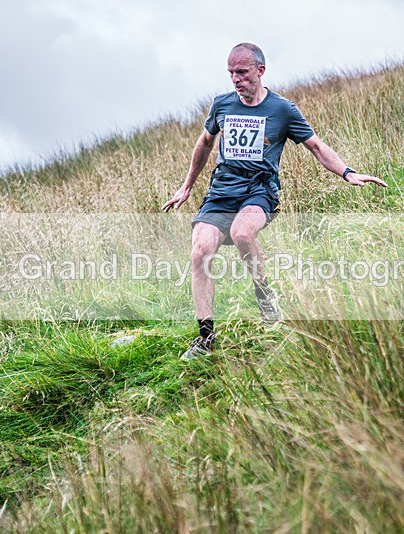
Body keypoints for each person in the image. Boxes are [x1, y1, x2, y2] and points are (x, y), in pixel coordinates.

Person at [162, 43, 387, 360]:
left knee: (242, 233)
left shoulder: (283, 110)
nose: (236, 80)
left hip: (260, 189)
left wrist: (348, 173)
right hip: (223, 187)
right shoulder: (222, 105)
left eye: (242, 72)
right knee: (199, 253)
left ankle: (264, 294)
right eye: (231, 74)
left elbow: (316, 147)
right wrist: (186, 187)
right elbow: (204, 143)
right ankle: (206, 338)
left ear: (260, 71)